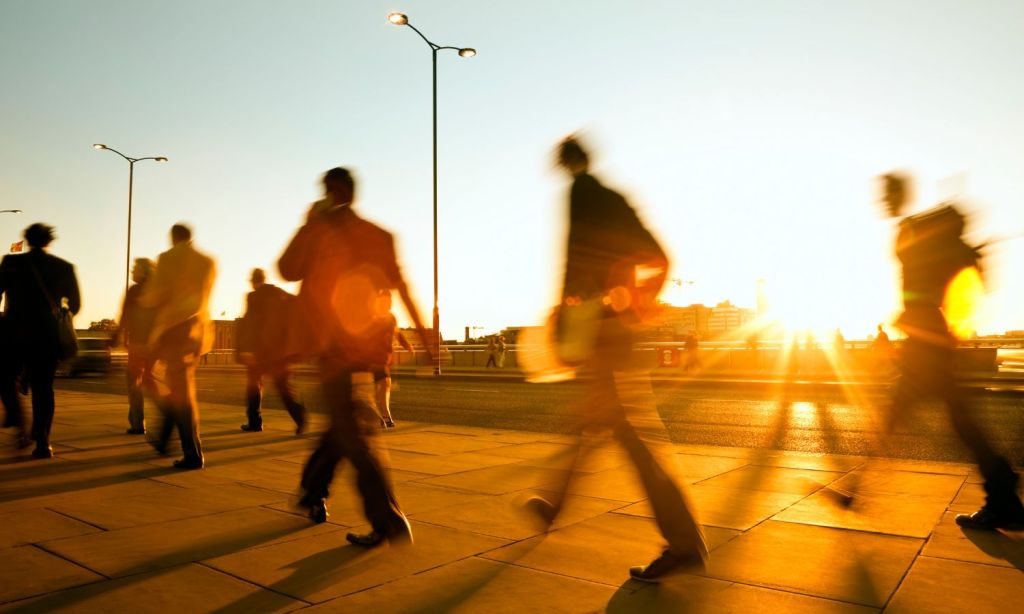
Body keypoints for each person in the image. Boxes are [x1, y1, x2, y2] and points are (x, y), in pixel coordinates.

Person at [526, 137, 707, 582]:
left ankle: (684, 543)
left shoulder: (582, 194)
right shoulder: (615, 199)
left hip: (599, 326)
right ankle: (554, 506)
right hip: (613, 325)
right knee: (595, 421)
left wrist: (566, 314)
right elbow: (659, 256)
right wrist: (638, 303)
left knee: (626, 432)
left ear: (569, 163)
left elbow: (575, 263)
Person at [279, 166, 431, 547]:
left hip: (332, 346)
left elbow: (287, 269)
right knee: (344, 425)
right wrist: (425, 335)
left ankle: (386, 518)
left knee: (350, 430)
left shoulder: (319, 232)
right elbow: (403, 285)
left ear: (329, 193)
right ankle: (312, 491)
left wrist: (308, 222)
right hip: (366, 347)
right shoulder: (379, 235)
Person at [878, 172, 1024, 529]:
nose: (882, 201)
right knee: (961, 421)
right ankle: (1003, 493)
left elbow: (919, 289)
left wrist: (910, 315)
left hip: (925, 343)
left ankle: (1003, 493)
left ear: (898, 195)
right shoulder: (929, 235)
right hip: (934, 340)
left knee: (903, 413)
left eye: (886, 194)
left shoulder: (911, 232)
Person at [0, 223, 80, 458]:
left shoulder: (11, 263)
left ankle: (18, 421)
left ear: (27, 239)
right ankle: (43, 442)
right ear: (49, 240)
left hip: (14, 333)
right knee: (43, 388)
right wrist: (61, 311)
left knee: (4, 377)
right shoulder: (64, 267)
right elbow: (75, 304)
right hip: (47, 336)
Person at [141, 223, 216, 470]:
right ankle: (166, 440)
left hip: (174, 331)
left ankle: (193, 454)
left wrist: (145, 300)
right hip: (197, 333)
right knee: (180, 388)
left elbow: (156, 294)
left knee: (180, 394)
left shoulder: (167, 258)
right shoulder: (207, 261)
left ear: (173, 238)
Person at [236, 268, 306, 434]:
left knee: (253, 386)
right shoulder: (278, 292)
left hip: (259, 351)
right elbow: (296, 303)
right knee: (283, 387)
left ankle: (255, 422)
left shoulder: (253, 297)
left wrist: (246, 349)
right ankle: (299, 415)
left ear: (253, 281)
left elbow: (250, 324)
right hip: (279, 352)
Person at [115, 258, 157, 434]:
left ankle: (137, 423)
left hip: (138, 344)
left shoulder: (134, 290)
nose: (132, 271)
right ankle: (171, 415)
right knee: (154, 382)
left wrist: (115, 337)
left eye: (135, 268)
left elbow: (125, 316)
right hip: (155, 344)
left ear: (144, 271)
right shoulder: (157, 290)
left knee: (134, 383)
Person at [370, 291, 413, 429]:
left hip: (385, 357)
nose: (388, 304)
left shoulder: (391, 317)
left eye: (389, 302)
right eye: (385, 301)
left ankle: (379, 415)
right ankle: (386, 416)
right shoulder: (371, 316)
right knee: (385, 383)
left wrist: (407, 345)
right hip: (371, 357)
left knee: (381, 387)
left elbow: (397, 333)